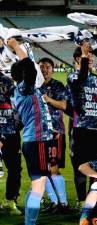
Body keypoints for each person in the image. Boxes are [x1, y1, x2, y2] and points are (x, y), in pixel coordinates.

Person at [65, 41, 97, 208]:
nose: (91, 59)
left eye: (91, 57)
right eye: (87, 57)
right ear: (77, 60)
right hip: (81, 130)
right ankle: (81, 201)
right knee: (80, 167)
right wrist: (84, 53)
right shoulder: (72, 77)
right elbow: (81, 78)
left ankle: (93, 198)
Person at [9, 37, 54, 225]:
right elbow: (29, 66)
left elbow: (29, 67)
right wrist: (15, 46)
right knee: (39, 185)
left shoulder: (24, 89)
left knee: (38, 183)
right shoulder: (24, 88)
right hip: (37, 141)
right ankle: (30, 223)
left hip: (34, 141)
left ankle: (29, 221)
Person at [38, 57, 69, 212]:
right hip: (38, 133)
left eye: (47, 67)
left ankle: (63, 203)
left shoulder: (57, 85)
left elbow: (63, 105)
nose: (44, 69)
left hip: (55, 132)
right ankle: (54, 202)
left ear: (52, 69)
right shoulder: (34, 86)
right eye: (41, 67)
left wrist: (48, 99)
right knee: (40, 169)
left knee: (54, 168)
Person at [0, 38, 23, 216]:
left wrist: (16, 127)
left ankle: (10, 201)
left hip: (10, 133)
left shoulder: (7, 82)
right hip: (7, 132)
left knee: (15, 168)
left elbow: (19, 106)